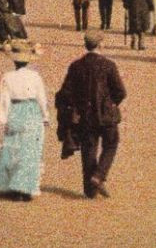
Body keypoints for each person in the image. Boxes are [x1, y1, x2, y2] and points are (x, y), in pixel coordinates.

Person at [54, 31, 127, 199]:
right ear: (101, 44)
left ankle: (90, 190)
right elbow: (120, 91)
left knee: (89, 149)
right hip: (106, 115)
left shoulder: (76, 66)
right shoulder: (109, 65)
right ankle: (99, 175)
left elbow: (65, 92)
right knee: (111, 143)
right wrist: (111, 103)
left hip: (85, 116)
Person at [0, 41, 50, 200]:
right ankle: (26, 188)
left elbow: (4, 99)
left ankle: (13, 186)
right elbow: (41, 98)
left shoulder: (7, 77)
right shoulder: (35, 76)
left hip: (15, 111)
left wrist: (3, 118)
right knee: (31, 150)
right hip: (32, 111)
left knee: (14, 149)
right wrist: (45, 115)